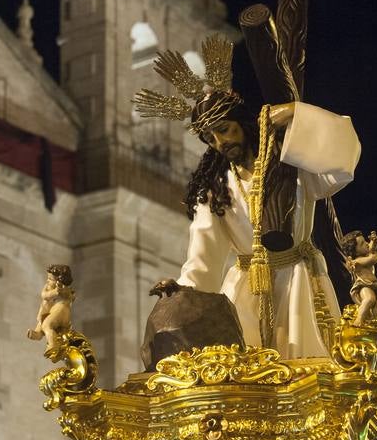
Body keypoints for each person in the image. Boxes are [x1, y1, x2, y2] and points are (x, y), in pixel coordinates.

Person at [147, 87, 361, 359]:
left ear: (241, 121)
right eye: (210, 138)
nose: (220, 142)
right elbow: (204, 257)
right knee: (244, 368)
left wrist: (295, 113)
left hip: (298, 281)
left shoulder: (289, 164)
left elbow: (341, 157)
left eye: (224, 129)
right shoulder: (215, 189)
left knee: (305, 365)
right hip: (246, 289)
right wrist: (181, 292)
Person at [340, 229, 377, 326]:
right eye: (362, 244)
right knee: (369, 298)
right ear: (355, 252)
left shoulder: (368, 255)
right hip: (363, 286)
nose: (367, 244)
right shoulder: (357, 261)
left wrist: (374, 243)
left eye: (365, 241)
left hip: (375, 285)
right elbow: (373, 259)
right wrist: (373, 248)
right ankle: (359, 320)